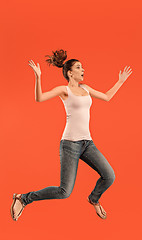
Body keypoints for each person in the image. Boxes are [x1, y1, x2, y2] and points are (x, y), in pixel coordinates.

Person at [10, 49, 132, 221]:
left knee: (109, 176)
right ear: (70, 72)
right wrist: (38, 77)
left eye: (82, 67)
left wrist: (120, 81)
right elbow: (40, 98)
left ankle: (94, 199)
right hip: (70, 144)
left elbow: (106, 97)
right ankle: (23, 198)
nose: (83, 70)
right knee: (64, 192)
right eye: (79, 67)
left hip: (87, 143)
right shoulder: (64, 90)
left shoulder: (86, 88)